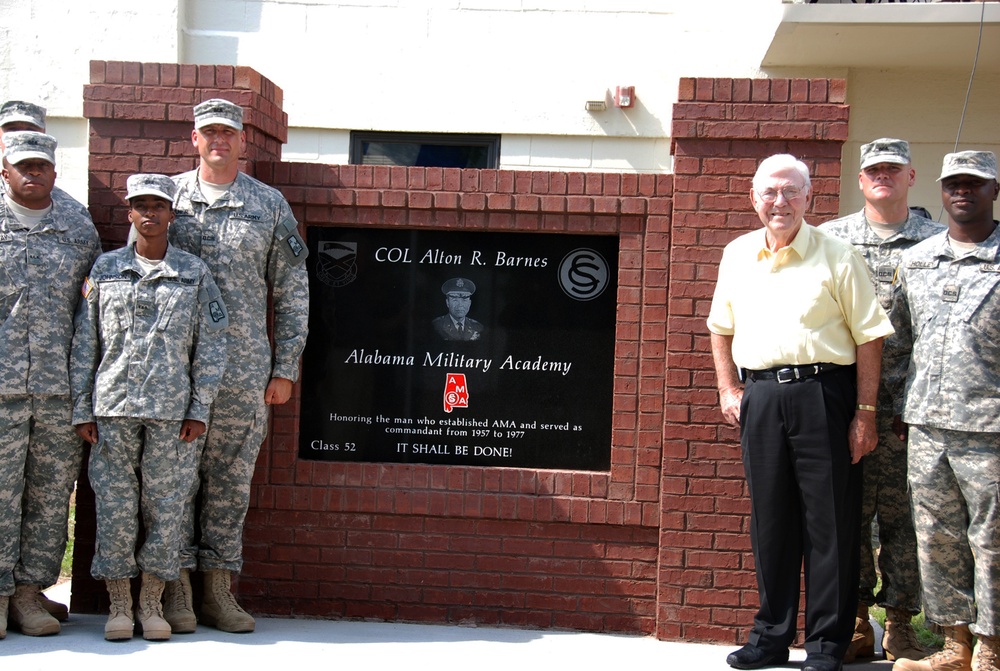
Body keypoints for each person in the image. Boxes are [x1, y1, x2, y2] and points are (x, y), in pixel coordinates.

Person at [708, 154, 893, 671]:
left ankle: (827, 645)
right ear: (754, 198)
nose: (780, 202)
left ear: (809, 197)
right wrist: (728, 389)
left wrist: (865, 413)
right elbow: (720, 327)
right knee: (771, 522)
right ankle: (769, 637)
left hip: (823, 396)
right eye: (769, 192)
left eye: (791, 191)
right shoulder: (737, 254)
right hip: (761, 399)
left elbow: (869, 337)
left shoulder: (838, 256)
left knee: (829, 525)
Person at [164, 98, 309, 634]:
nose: (218, 141)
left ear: (243, 140)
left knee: (229, 483)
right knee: (171, 479)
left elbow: (292, 290)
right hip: (172, 369)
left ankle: (218, 592)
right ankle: (174, 587)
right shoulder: (167, 198)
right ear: (194, 139)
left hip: (244, 372)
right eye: (209, 132)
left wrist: (284, 368)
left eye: (228, 132)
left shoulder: (268, 205)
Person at [70, 174, 228, 641]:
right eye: (140, 206)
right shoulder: (105, 270)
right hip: (113, 409)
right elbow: (86, 342)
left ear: (171, 214)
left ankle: (152, 604)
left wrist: (200, 406)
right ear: (130, 214)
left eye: (158, 206)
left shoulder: (193, 272)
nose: (149, 214)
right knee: (117, 506)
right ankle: (120, 606)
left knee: (166, 506)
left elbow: (211, 344)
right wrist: (83, 407)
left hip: (172, 413)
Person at [821, 138, 943, 663]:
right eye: (874, 170)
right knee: (847, 515)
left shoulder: (936, 243)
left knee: (905, 520)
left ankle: (900, 624)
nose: (883, 177)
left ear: (912, 177)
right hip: (842, 405)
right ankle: (853, 622)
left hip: (911, 411)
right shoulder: (832, 239)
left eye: (894, 169)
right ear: (861, 179)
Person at [891, 151, 1000, 671]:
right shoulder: (916, 260)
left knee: (993, 541)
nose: (963, 192)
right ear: (940, 191)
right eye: (954, 183)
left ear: (994, 191)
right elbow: (899, 341)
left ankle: (991, 648)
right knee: (937, 540)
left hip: (991, 430)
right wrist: (892, 409)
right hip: (927, 426)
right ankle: (954, 645)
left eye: (975, 184)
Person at [0, 131, 101, 639]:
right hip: (1, 390)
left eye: (41, 166)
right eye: (23, 166)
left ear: (54, 173)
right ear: (5, 171)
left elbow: (92, 307)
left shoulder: (77, 225)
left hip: (60, 388)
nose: (32, 173)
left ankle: (28, 592)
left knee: (49, 494)